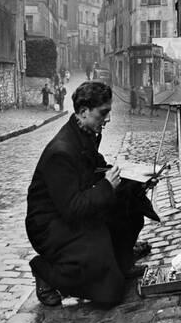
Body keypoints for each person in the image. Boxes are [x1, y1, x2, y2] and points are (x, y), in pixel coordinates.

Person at [25, 81, 160, 308]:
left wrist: (137, 181)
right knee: (109, 290)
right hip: (50, 226)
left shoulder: (85, 132)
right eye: (103, 113)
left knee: (129, 204)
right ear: (84, 111)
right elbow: (72, 209)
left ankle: (121, 264)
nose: (107, 119)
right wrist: (107, 186)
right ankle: (44, 271)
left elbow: (97, 169)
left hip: (73, 213)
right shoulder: (61, 152)